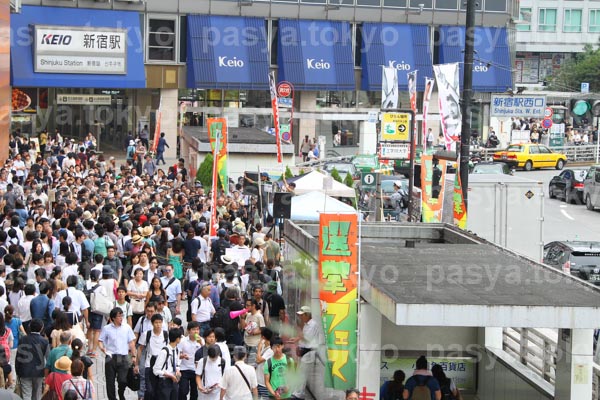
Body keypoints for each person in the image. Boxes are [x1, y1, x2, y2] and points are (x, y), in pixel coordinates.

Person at [98, 307, 138, 400]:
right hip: (110, 357)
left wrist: (134, 356)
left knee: (122, 380)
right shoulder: (106, 328)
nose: (121, 318)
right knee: (110, 381)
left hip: (123, 356)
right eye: (119, 316)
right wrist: (102, 348)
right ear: (113, 318)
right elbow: (100, 340)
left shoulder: (127, 327)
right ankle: (112, 398)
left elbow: (131, 342)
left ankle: (121, 393)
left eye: (121, 315)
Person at [15, 318, 48, 400]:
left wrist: (17, 371)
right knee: (37, 394)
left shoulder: (23, 339)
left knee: (26, 395)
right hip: (39, 372)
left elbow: (18, 357)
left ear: (29, 327)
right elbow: (48, 358)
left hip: (24, 371)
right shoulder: (44, 341)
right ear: (41, 328)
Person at [152, 328, 182, 400]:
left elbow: (177, 363)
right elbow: (155, 370)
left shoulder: (176, 350)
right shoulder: (164, 351)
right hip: (164, 381)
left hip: (174, 380)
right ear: (177, 339)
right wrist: (169, 375)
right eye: (180, 337)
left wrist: (178, 371)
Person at [177, 321, 203, 400]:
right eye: (193, 329)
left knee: (194, 391)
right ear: (188, 331)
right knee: (183, 390)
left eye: (197, 330)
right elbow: (177, 353)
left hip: (196, 369)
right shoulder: (183, 341)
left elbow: (205, 353)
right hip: (184, 368)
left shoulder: (201, 340)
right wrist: (182, 356)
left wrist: (201, 343)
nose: (196, 332)